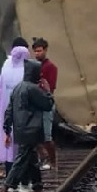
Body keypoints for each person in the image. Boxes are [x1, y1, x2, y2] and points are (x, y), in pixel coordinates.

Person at [0, 60, 54, 192]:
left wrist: (7, 129)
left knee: (32, 160)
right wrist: (47, 91)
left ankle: (38, 190)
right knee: (21, 159)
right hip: (32, 130)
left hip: (20, 130)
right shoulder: (33, 89)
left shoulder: (17, 88)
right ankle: (4, 190)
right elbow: (47, 105)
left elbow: (9, 110)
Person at [0, 40, 30, 179]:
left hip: (5, 107)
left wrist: (0, 106)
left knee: (6, 135)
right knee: (19, 139)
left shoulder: (6, 65)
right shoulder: (26, 68)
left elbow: (0, 89)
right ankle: (18, 174)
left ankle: (7, 170)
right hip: (20, 108)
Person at [32, 37, 59, 169]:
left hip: (46, 103)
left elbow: (51, 87)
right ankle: (43, 156)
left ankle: (53, 161)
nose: (37, 54)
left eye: (39, 51)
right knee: (33, 133)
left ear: (45, 50)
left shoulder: (51, 67)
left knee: (47, 135)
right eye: (35, 51)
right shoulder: (33, 66)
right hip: (35, 104)